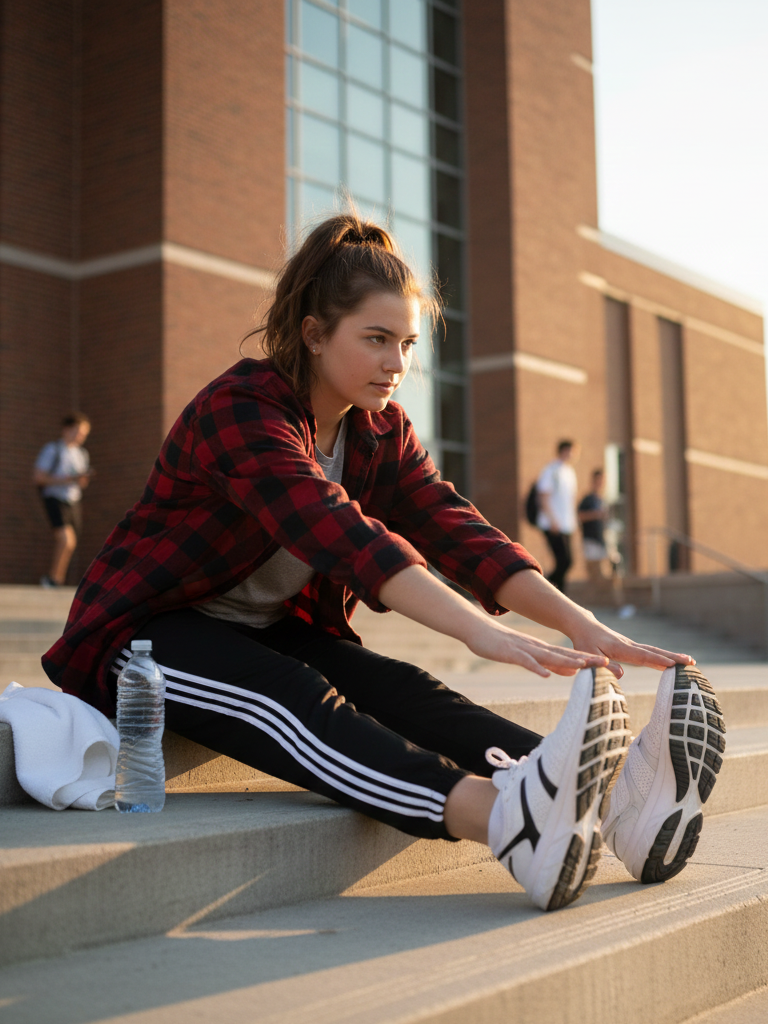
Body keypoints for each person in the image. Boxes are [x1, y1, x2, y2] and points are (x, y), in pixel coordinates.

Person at [43, 215, 723, 912]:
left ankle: (621, 809)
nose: (396, 365)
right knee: (294, 703)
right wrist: (478, 632)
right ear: (313, 334)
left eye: (405, 344)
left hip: (261, 630)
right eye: (375, 340)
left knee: (405, 691)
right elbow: (338, 533)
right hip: (145, 641)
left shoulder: (379, 431)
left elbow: (459, 530)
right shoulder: (240, 409)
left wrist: (586, 627)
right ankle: (504, 821)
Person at [33, 412, 93, 588]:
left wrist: (82, 479)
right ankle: (53, 578)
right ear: (66, 430)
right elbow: (38, 477)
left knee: (71, 542)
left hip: (73, 501)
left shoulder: (82, 453)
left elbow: (80, 483)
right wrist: (68, 479)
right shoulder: (53, 450)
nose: (81, 437)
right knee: (66, 539)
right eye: (78, 432)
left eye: (84, 434)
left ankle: (56, 579)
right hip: (55, 498)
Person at [536, 440, 578, 592]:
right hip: (552, 524)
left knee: (567, 562)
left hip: (567, 525)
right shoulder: (551, 470)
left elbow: (570, 500)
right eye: (568, 450)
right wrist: (553, 520)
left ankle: (559, 595)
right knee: (564, 561)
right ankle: (544, 591)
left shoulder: (570, 472)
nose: (571, 454)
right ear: (561, 451)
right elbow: (543, 496)